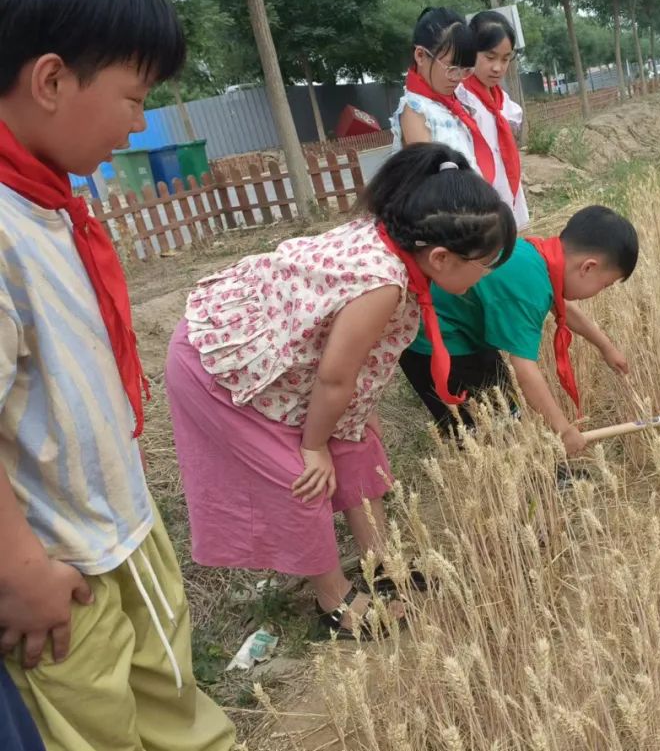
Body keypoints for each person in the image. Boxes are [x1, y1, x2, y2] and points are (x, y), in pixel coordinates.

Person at [0, 0, 235, 749]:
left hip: (126, 524)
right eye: (135, 99)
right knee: (97, 728)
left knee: (175, 704)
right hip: (61, 572)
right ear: (53, 80)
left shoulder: (53, 202)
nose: (140, 123)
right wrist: (23, 572)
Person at [164, 144, 516, 640]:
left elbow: (343, 374)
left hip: (281, 356)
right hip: (221, 361)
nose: (487, 275)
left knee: (359, 447)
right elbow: (334, 378)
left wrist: (339, 430)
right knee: (301, 477)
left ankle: (382, 565)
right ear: (440, 257)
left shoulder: (395, 242)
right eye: (485, 264)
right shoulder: (383, 282)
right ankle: (335, 600)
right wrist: (312, 446)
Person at [399, 205, 637, 456]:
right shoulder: (528, 288)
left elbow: (561, 306)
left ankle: (531, 474)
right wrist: (564, 431)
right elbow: (525, 370)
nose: (601, 291)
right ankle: (513, 480)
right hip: (437, 343)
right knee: (484, 431)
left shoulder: (537, 256)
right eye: (605, 285)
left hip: (459, 333)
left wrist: (606, 347)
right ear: (587, 267)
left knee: (505, 411)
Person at [391, 7, 496, 184]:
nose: (458, 78)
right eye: (452, 68)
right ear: (421, 56)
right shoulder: (415, 110)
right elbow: (429, 180)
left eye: (465, 70)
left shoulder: (453, 105)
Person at [459, 10, 529, 230]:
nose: (498, 67)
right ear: (471, 52)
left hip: (507, 188)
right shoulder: (461, 99)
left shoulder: (501, 99)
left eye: (505, 59)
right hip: (479, 195)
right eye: (490, 57)